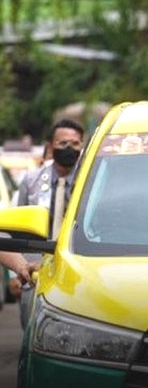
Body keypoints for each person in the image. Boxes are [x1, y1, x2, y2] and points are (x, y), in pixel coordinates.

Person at [15, 119, 85, 329]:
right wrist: (16, 270)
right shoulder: (31, 180)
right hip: (34, 271)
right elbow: (17, 229)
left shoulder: (90, 182)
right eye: (63, 143)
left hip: (77, 271)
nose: (69, 148)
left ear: (82, 145)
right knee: (31, 329)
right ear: (51, 146)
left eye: (75, 143)